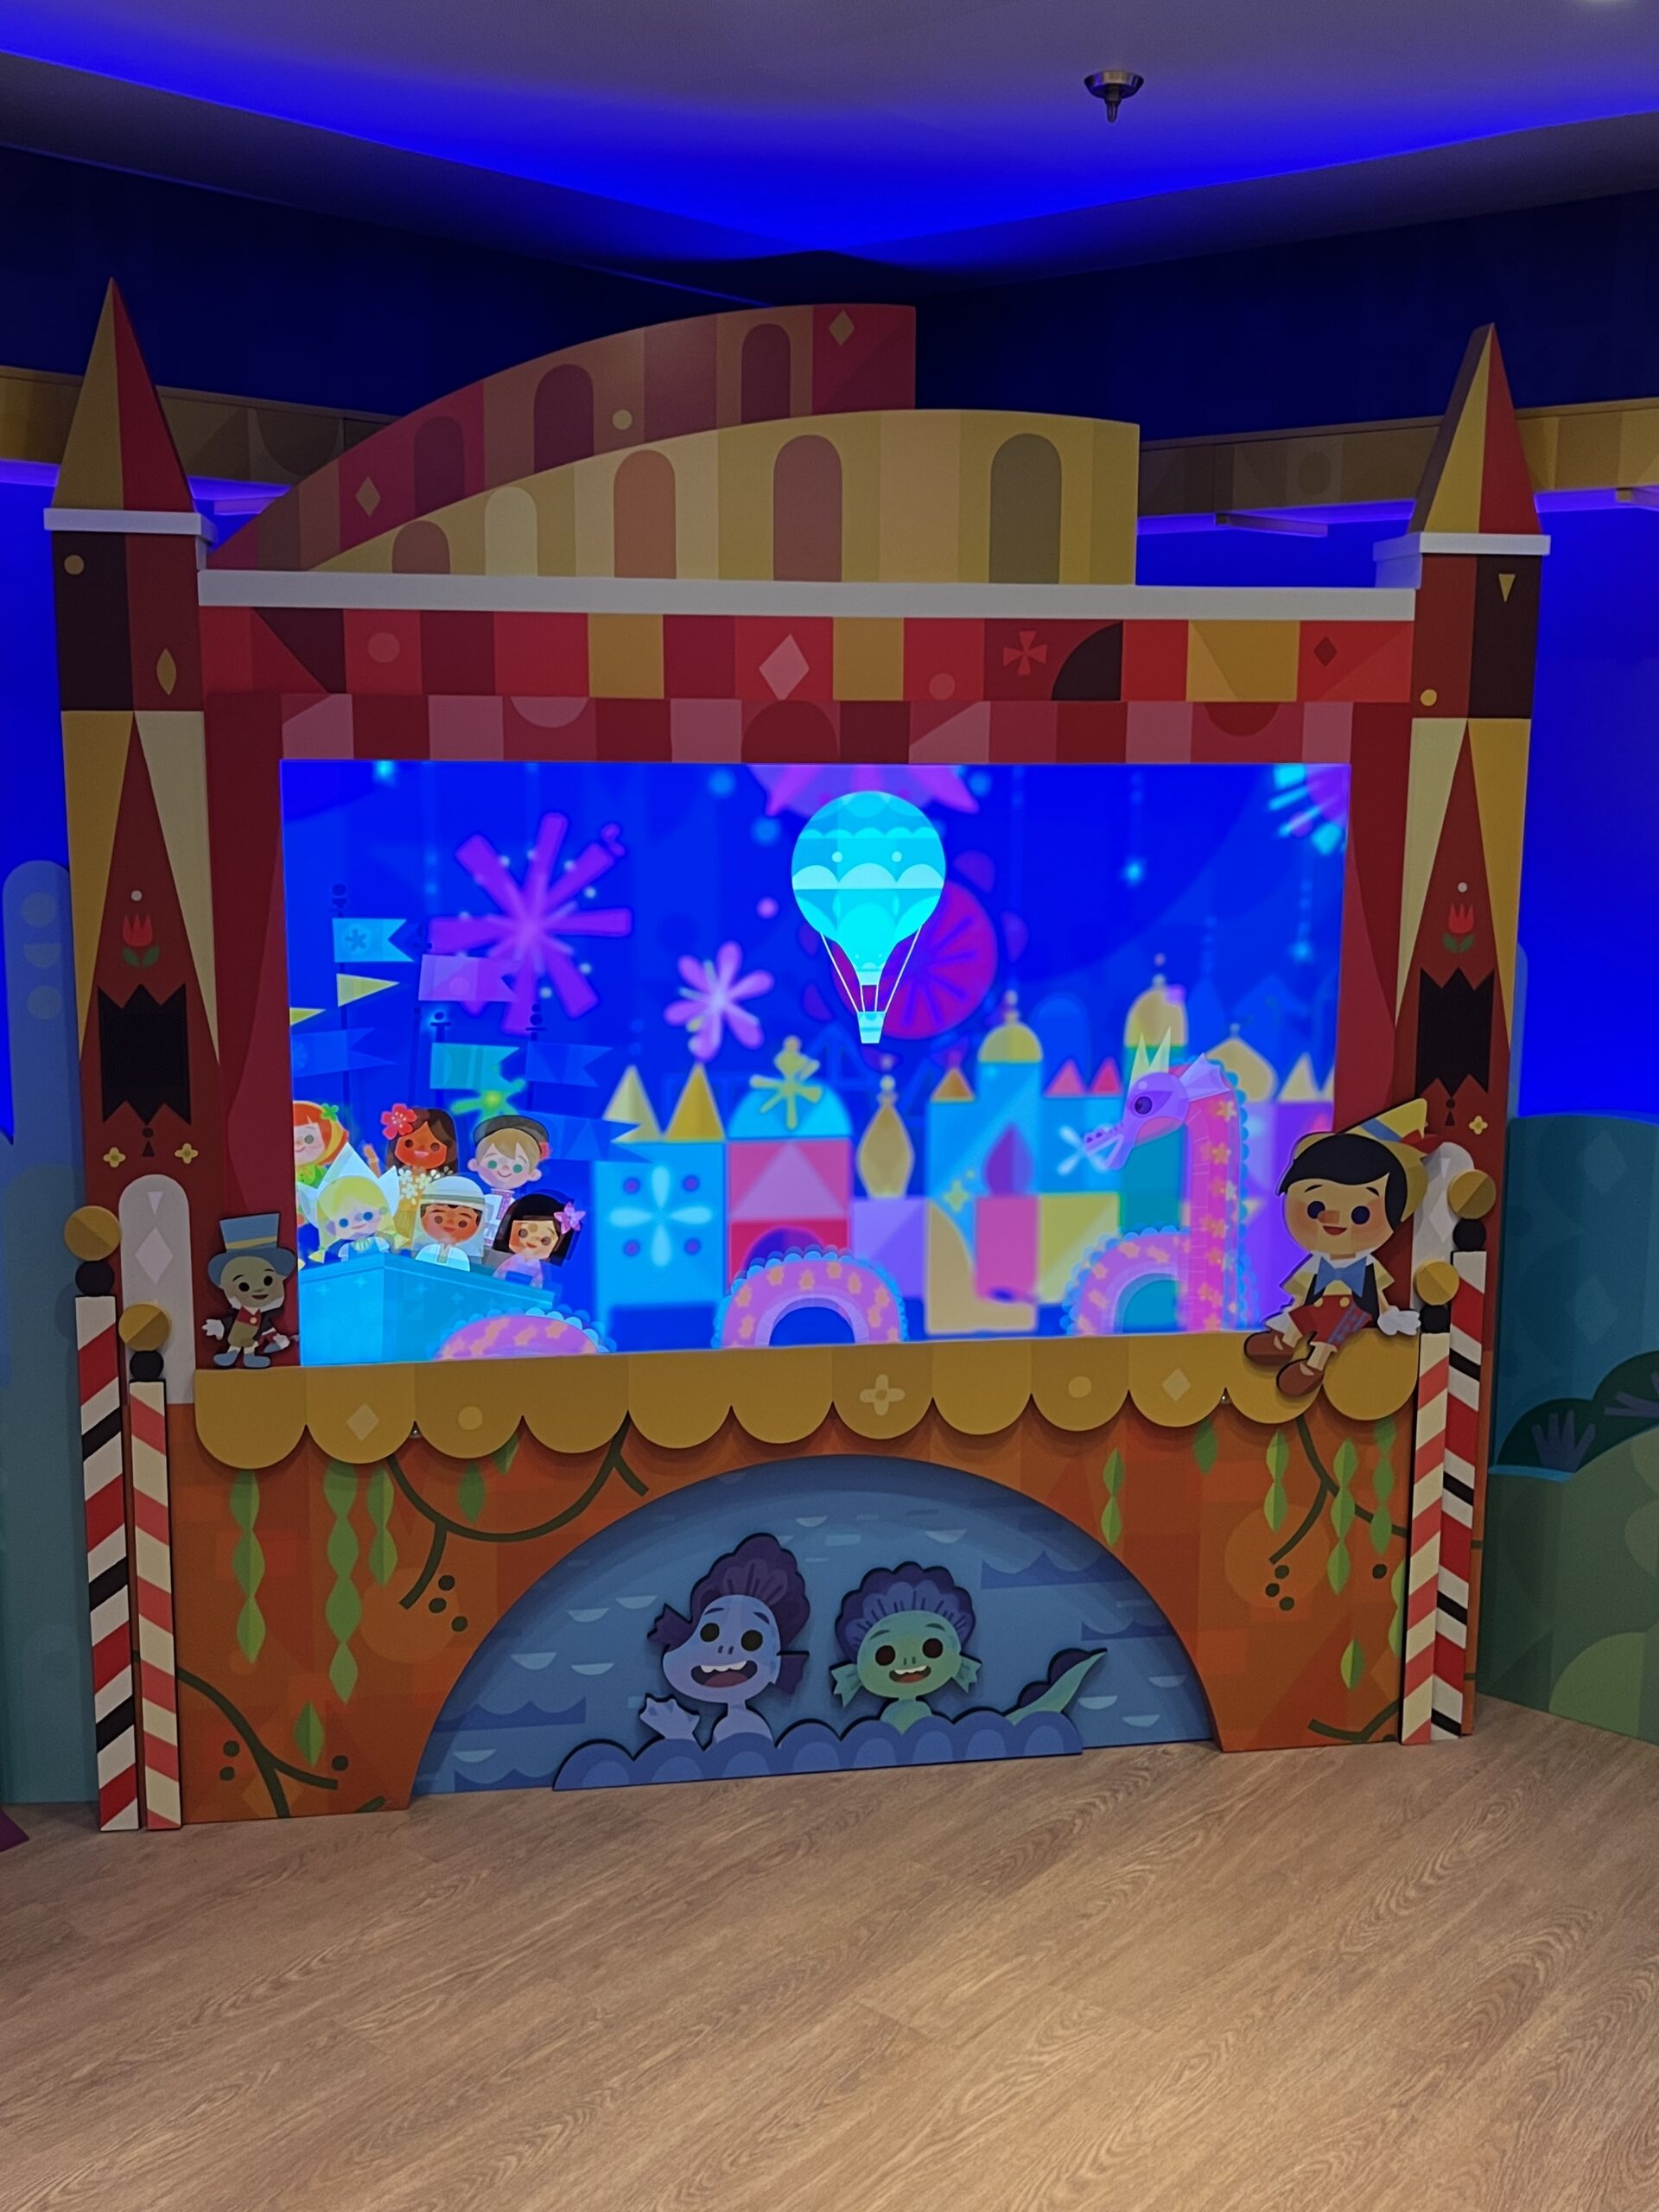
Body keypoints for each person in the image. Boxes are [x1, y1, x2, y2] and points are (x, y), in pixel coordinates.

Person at [1244, 1101, 1428, 1398]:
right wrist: (1292, 1311)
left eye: (1360, 1214)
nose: (1332, 1218)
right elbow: (1301, 1294)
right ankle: (1283, 1342)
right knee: (1303, 1314)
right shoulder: (1318, 1265)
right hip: (1318, 1306)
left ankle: (1313, 1366)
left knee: (1331, 1326)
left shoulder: (1366, 1267)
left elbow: (1377, 1296)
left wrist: (1387, 1315)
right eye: (1315, 1207)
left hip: (1352, 1310)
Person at [467, 1115, 551, 1240]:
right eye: (493, 1163)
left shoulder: (518, 1208)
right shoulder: (477, 1200)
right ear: (474, 1165)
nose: (504, 1170)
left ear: (533, 1174)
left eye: (517, 1167)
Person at [488, 1192, 583, 1287]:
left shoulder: (540, 1266)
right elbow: (500, 1274)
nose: (533, 1241)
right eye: (523, 1233)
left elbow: (540, 1282)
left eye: (545, 1240)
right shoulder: (513, 1259)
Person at [412, 1175, 487, 1270]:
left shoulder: (464, 1255)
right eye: (438, 1219)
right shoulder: (426, 1250)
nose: (450, 1223)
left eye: (462, 1223)